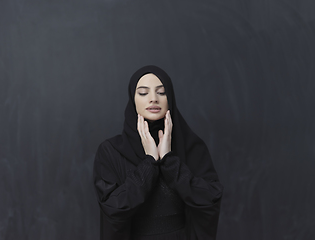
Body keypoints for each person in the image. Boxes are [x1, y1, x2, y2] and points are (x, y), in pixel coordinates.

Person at [93, 65, 223, 240]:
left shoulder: (192, 147)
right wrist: (150, 162)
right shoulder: (110, 151)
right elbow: (113, 209)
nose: (153, 99)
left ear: (170, 98)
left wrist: (170, 161)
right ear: (133, 99)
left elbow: (209, 200)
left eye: (161, 92)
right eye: (143, 93)